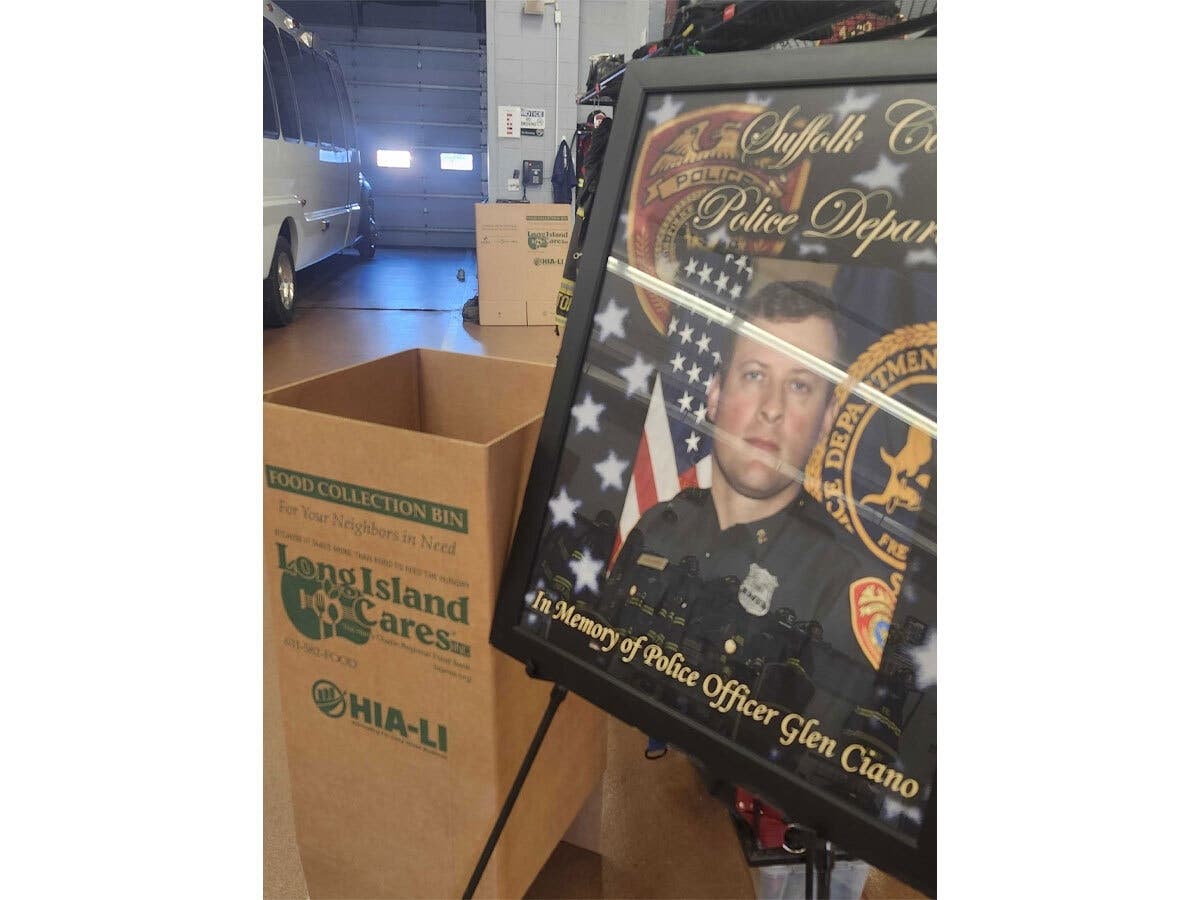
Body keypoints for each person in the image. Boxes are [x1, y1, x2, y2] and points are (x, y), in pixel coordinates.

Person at [597, 281, 875, 757]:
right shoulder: (662, 523)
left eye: (800, 385)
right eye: (753, 375)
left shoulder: (839, 585)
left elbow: (813, 770)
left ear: (827, 417)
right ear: (715, 394)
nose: (772, 408)